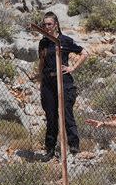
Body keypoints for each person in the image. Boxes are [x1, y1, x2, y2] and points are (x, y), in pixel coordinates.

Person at [38, 11, 89, 160]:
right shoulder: (43, 42)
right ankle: (50, 149)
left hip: (64, 81)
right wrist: (40, 81)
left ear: (56, 25)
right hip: (48, 82)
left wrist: (72, 67)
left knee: (67, 114)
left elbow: (84, 53)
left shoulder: (64, 41)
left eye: (49, 24)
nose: (47, 27)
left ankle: (74, 146)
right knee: (51, 116)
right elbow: (41, 62)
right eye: (44, 24)